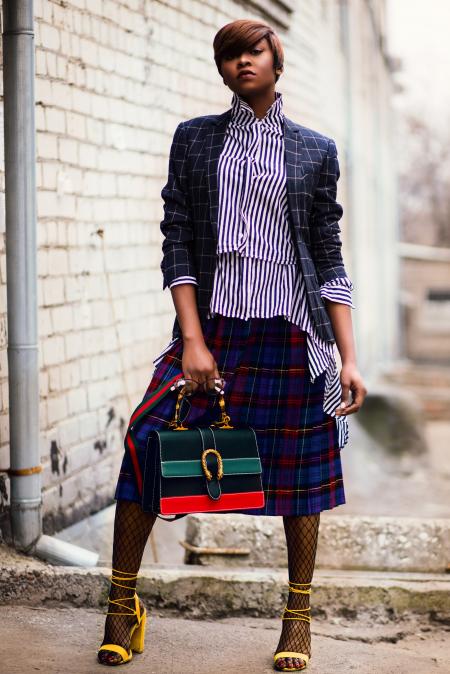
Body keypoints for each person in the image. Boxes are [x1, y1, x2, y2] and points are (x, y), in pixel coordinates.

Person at [97, 18, 367, 671]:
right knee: (144, 444)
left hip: (290, 334)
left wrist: (348, 354)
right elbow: (178, 239)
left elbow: (327, 254)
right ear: (220, 70)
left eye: (253, 50)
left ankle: (297, 620)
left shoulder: (313, 151)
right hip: (212, 329)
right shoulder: (195, 141)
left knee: (300, 480)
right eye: (229, 55)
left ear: (277, 61)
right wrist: (192, 339)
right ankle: (122, 606)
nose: (241, 62)